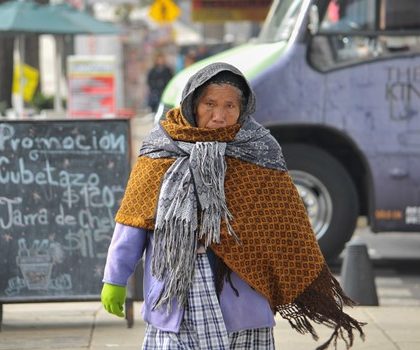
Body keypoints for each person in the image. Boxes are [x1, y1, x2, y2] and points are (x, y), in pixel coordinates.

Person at [101, 62, 365, 349]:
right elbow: (133, 218)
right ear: (192, 104)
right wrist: (115, 278)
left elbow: (286, 221)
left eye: (230, 106)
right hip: (177, 294)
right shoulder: (161, 146)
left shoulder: (260, 148)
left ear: (243, 109)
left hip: (242, 295)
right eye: (209, 104)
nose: (219, 115)